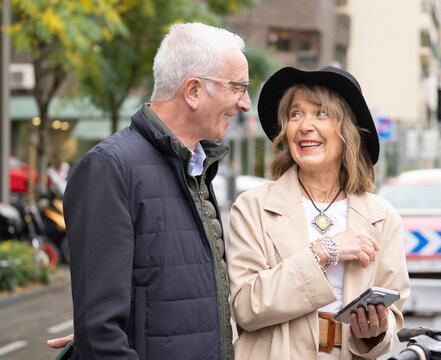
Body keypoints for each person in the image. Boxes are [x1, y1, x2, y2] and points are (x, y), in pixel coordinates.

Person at [47, 22, 251, 359]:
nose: (244, 104)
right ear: (194, 91)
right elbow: (101, 332)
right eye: (238, 87)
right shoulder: (109, 168)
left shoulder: (196, 168)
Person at [226, 66, 410, 359]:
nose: (304, 125)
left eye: (320, 113)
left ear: (346, 129)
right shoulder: (253, 207)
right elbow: (246, 307)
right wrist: (325, 251)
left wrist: (375, 333)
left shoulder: (382, 216)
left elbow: (393, 321)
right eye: (295, 114)